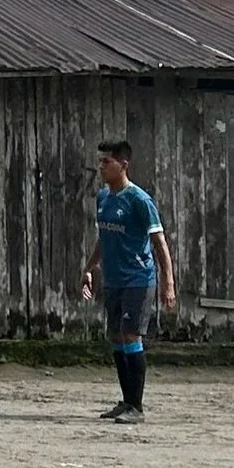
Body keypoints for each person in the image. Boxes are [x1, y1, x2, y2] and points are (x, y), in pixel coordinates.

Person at [79, 139, 177, 423]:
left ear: (123, 165)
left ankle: (137, 406)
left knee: (132, 335)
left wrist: (168, 283)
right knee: (117, 337)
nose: (101, 167)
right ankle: (125, 401)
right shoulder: (104, 198)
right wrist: (90, 267)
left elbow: (159, 243)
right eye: (100, 162)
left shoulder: (139, 200)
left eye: (106, 162)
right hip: (114, 279)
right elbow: (104, 236)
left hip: (138, 278)